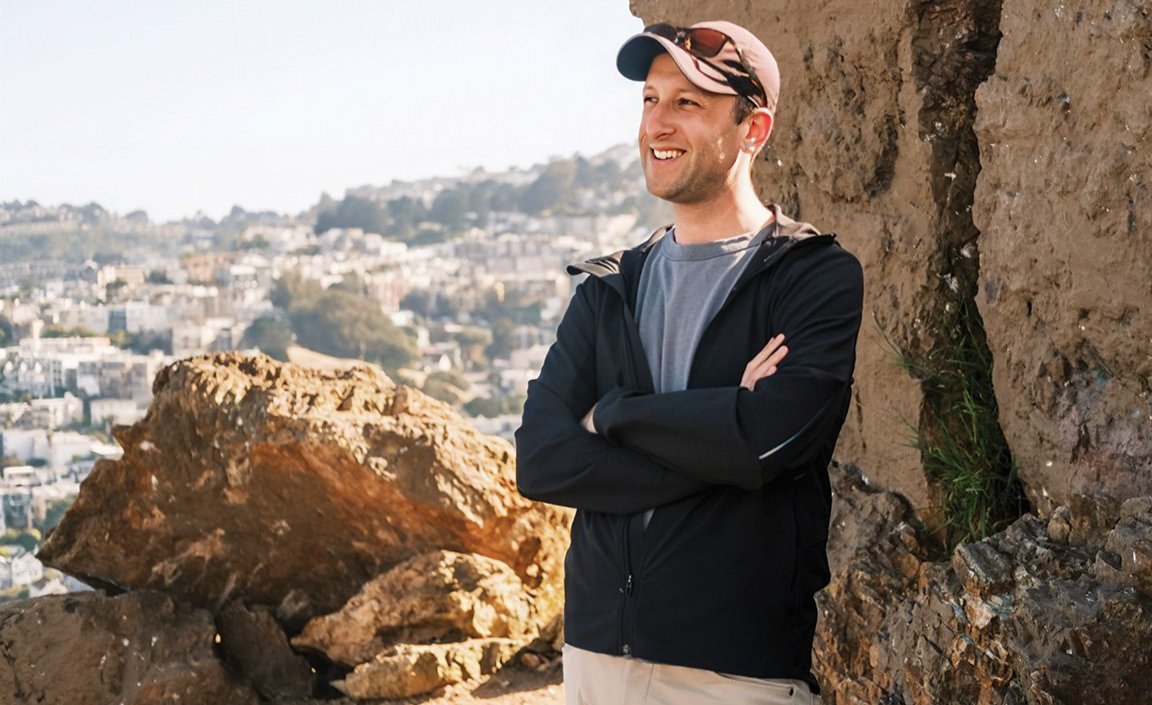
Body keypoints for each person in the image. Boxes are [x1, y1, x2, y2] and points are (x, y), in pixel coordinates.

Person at [515, 19, 863, 705]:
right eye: (650, 100)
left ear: (753, 130)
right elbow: (542, 460)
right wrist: (720, 428)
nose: (658, 123)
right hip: (594, 659)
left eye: (688, 103)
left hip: (736, 674)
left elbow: (768, 444)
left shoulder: (813, 277)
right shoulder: (609, 286)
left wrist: (612, 416)